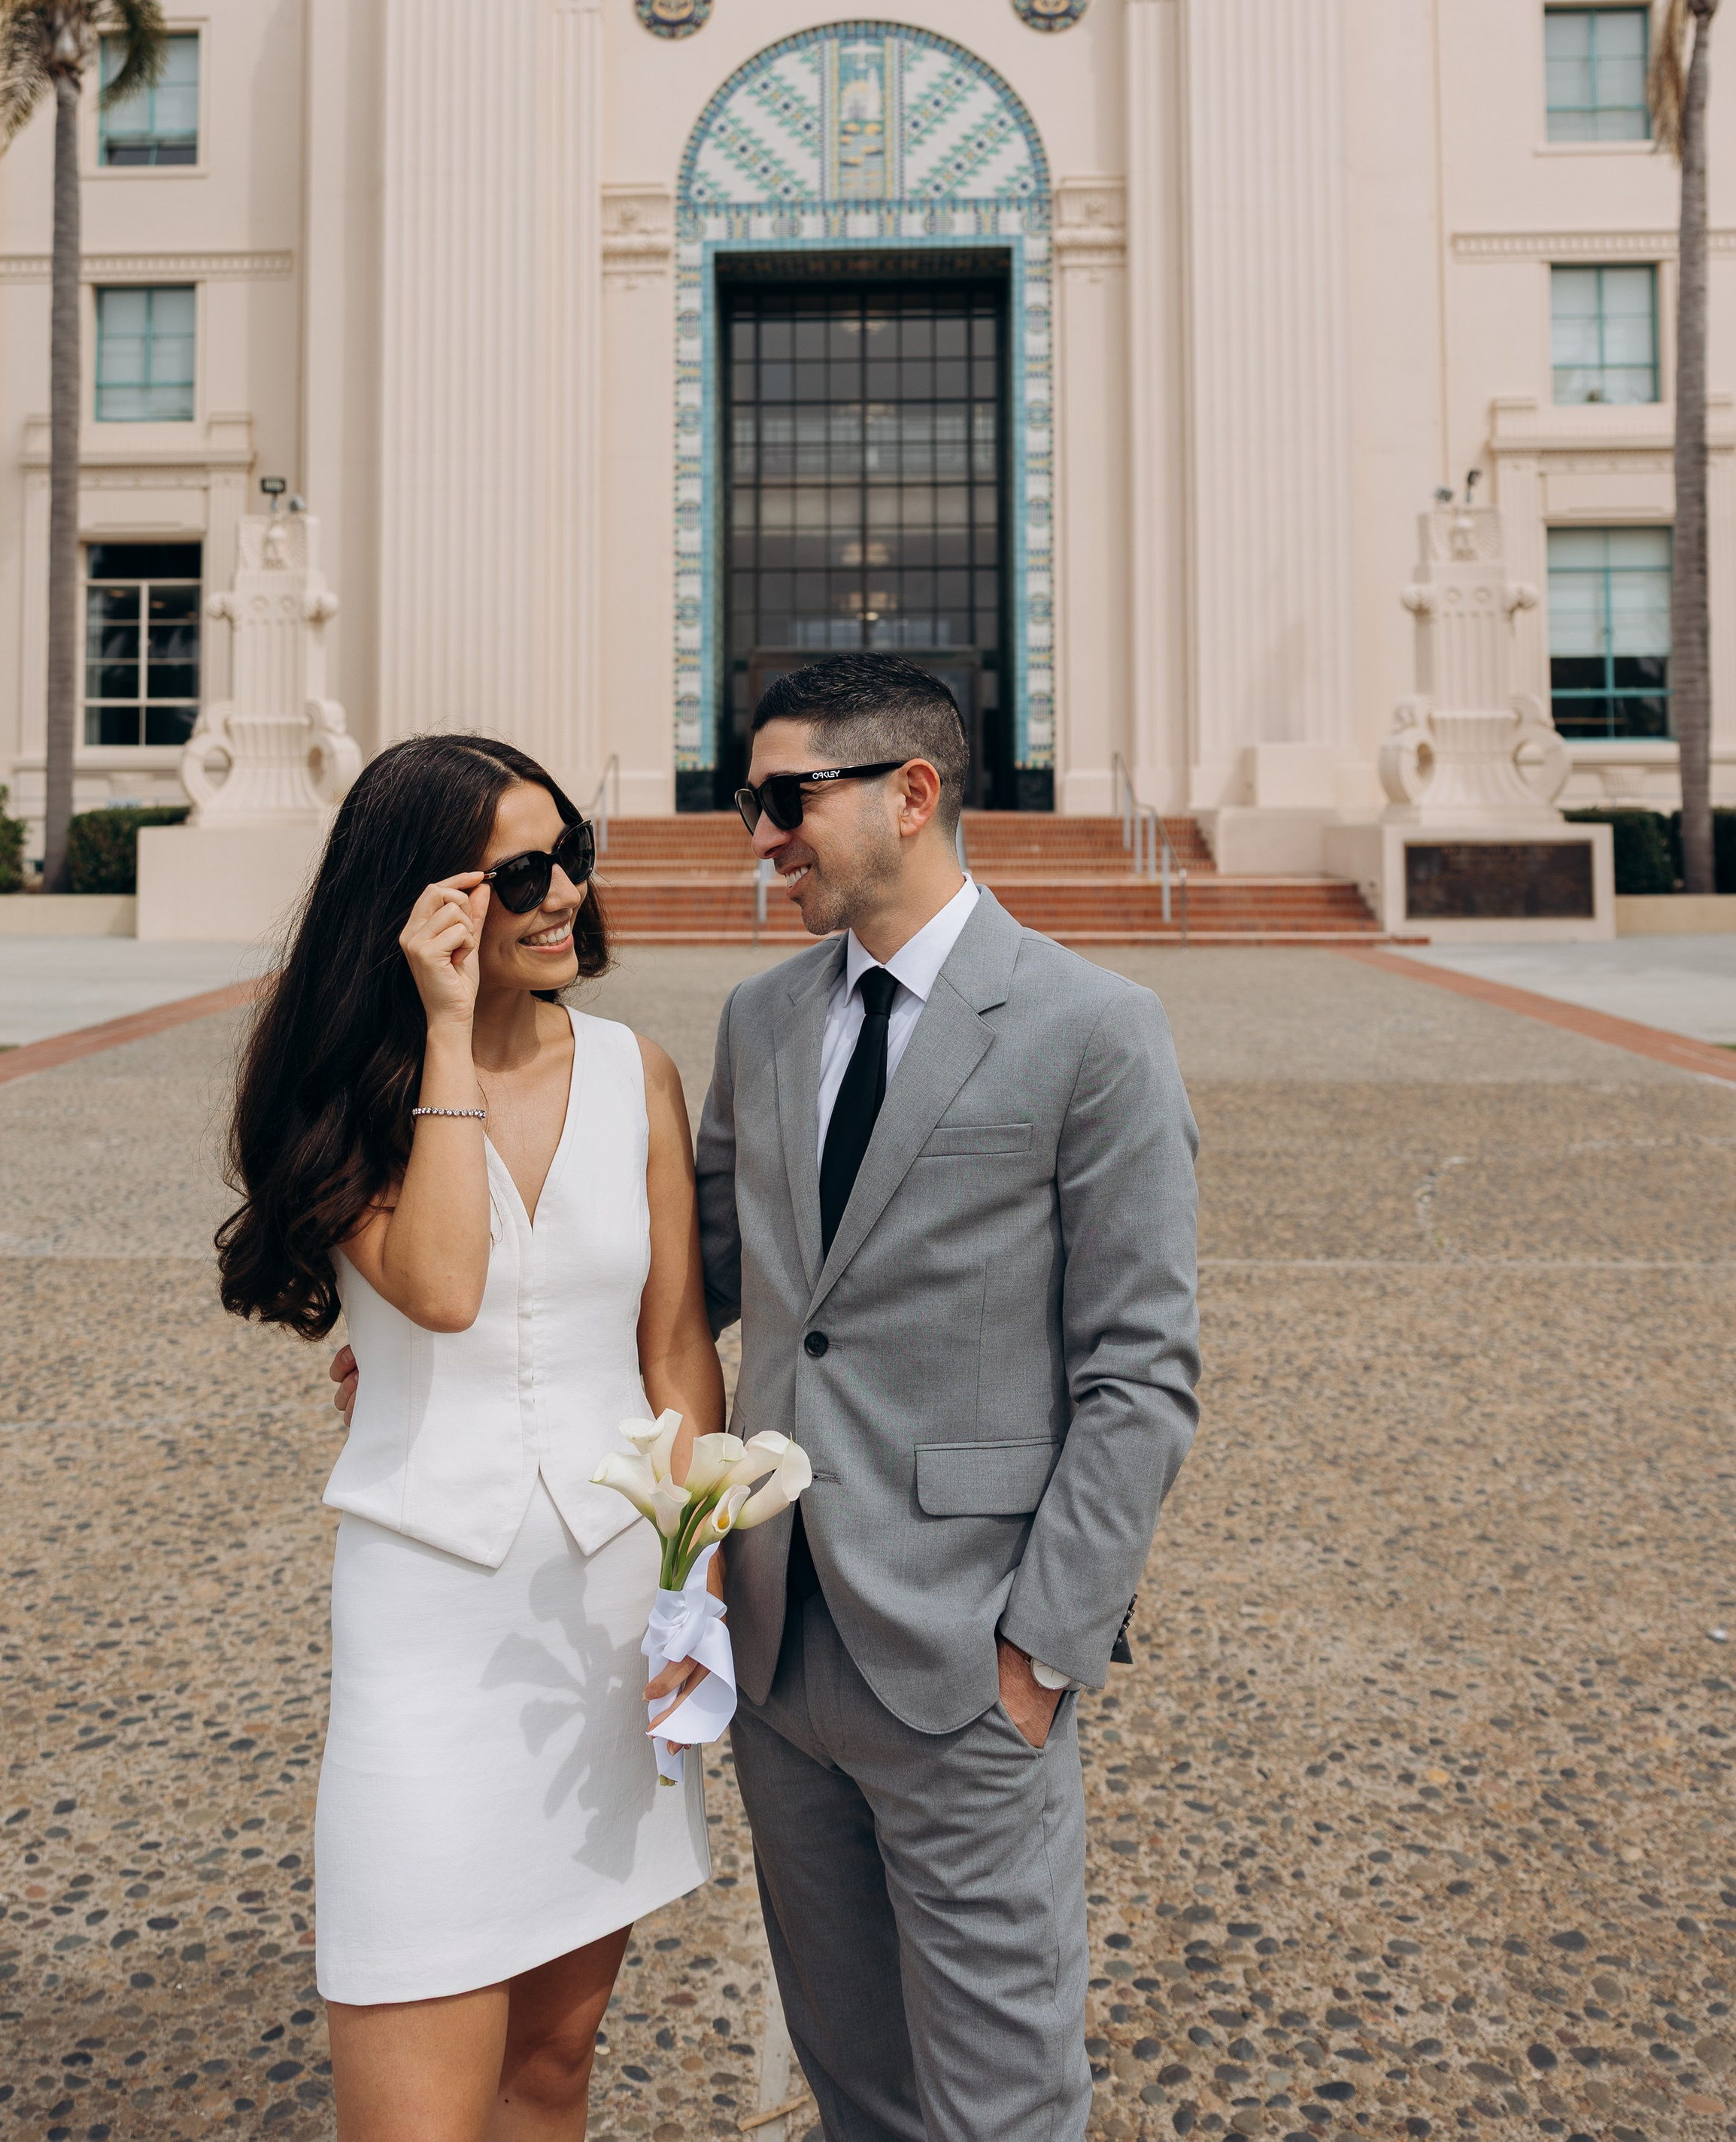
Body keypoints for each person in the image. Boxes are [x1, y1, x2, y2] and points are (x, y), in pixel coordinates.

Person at [697, 652, 1201, 2142]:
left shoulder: (1090, 1027)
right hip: (779, 1656)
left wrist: (1039, 1649)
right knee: (856, 2089)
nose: (761, 835)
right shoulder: (762, 1020)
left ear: (909, 795)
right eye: (750, 803)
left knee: (998, 2105)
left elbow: (1139, 1371)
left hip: (969, 1660)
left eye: (785, 799)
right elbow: (691, 1277)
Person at [217, 733, 722, 2142]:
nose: (563, 892)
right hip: (430, 1617)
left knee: (550, 2077)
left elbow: (674, 1349)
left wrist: (701, 1598)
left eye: (574, 855)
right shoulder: (338, 1094)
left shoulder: (641, 1073)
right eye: (522, 871)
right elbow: (440, 1290)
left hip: (612, 1617)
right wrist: (443, 1030)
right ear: (430, 900)